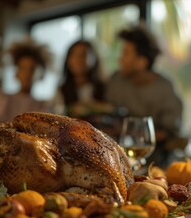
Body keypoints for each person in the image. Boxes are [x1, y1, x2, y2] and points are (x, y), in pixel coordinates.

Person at [105, 24, 183, 167]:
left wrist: (132, 133)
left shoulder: (165, 88)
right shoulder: (116, 81)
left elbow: (170, 131)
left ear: (141, 62)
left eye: (126, 54)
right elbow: (109, 114)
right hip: (118, 159)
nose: (120, 59)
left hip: (158, 163)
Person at [0, 39, 53, 123]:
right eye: (23, 68)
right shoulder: (4, 99)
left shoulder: (42, 106)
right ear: (16, 73)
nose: (27, 74)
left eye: (31, 69)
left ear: (40, 74)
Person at [59, 40, 109, 117]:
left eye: (83, 55)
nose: (78, 59)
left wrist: (93, 106)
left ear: (94, 58)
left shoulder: (104, 87)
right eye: (73, 55)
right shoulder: (61, 91)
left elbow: (113, 109)